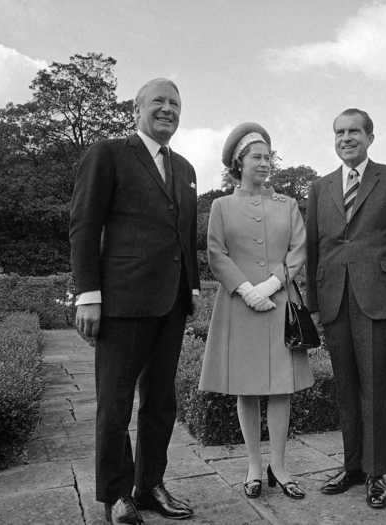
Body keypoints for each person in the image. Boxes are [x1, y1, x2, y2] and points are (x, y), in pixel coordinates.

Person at [70, 78, 199, 524]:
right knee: (115, 404)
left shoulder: (183, 168)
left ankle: (150, 486)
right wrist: (88, 294)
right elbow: (84, 225)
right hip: (122, 302)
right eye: (158, 102)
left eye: (175, 103)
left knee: (161, 402)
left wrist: (193, 288)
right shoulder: (108, 153)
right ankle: (115, 495)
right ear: (137, 108)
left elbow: (184, 234)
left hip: (172, 303)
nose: (168, 109)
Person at [306, 108, 386, 509]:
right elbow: (314, 250)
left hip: (378, 296)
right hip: (334, 297)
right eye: (339, 132)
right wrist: (314, 305)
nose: (345, 138)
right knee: (345, 389)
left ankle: (376, 473)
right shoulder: (319, 188)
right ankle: (352, 466)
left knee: (374, 387)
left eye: (354, 131)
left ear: (371, 136)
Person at [199, 122, 312, 501]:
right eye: (256, 157)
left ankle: (279, 466)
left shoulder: (288, 205)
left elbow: (298, 249)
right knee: (246, 390)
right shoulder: (221, 206)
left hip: (279, 304)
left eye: (268, 157)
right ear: (239, 161)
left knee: (281, 390)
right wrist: (247, 289)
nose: (264, 163)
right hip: (239, 306)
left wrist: (272, 284)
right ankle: (252, 465)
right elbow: (216, 253)